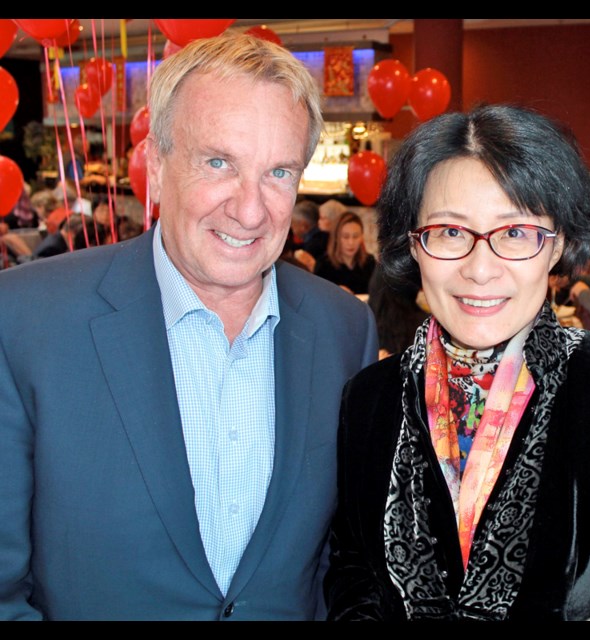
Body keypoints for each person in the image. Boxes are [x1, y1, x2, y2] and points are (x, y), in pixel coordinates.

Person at [0, 33, 378, 620]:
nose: (250, 210)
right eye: (219, 162)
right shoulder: (25, 318)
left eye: (278, 171)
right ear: (156, 162)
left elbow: (343, 563)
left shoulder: (344, 328)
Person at [323, 103, 590, 621]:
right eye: (449, 232)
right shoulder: (370, 398)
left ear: (556, 246)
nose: (480, 269)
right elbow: (351, 570)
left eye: (514, 233)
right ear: (413, 245)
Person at [314, 210, 376, 295]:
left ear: (362, 237)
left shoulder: (369, 262)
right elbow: (316, 296)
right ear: (336, 237)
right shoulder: (324, 265)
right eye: (345, 237)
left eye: (356, 236)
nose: (351, 242)